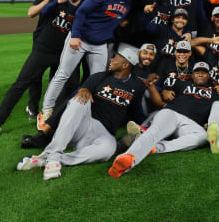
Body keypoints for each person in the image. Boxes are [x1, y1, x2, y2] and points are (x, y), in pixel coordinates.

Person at [38, 0, 148, 128]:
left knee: (97, 80)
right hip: (81, 38)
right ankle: (46, 110)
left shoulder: (130, 0)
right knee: (63, 74)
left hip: (100, 44)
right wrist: (75, 35)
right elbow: (82, 11)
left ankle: (88, 112)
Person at [16, 47, 145, 180]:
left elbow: (136, 110)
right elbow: (75, 97)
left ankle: (49, 160)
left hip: (104, 133)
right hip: (82, 124)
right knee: (80, 99)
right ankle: (53, 153)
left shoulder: (137, 86)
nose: (111, 59)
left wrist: (146, 127)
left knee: (108, 149)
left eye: (116, 57)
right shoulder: (99, 77)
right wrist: (84, 89)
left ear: (125, 64)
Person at [0, 0, 83, 140]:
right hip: (43, 50)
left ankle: (52, 123)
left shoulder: (83, 9)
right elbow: (42, 13)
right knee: (20, 84)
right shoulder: (57, 2)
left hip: (64, 55)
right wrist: (56, 0)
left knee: (69, 87)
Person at [108, 61, 219, 177]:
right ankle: (129, 157)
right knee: (154, 132)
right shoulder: (181, 83)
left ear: (208, 75)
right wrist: (163, 91)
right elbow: (161, 93)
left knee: (204, 137)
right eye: (197, 72)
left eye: (204, 72)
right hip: (173, 113)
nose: (200, 74)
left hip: (192, 124)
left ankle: (155, 147)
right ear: (192, 75)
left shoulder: (216, 91)